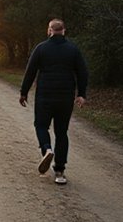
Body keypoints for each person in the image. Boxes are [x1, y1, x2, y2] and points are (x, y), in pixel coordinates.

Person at [18, 19, 88, 185]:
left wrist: (23, 92)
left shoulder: (41, 48)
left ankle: (46, 149)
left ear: (49, 30)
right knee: (62, 132)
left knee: (41, 126)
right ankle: (60, 172)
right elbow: (82, 72)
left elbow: (30, 71)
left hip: (45, 95)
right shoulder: (73, 50)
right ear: (64, 30)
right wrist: (82, 94)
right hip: (65, 97)